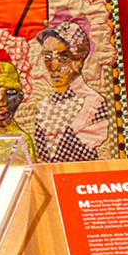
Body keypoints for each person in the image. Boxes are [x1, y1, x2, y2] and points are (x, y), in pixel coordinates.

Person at [33, 17, 109, 162]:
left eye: (63, 58)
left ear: (80, 61)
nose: (53, 66)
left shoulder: (95, 104)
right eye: (48, 57)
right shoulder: (43, 106)